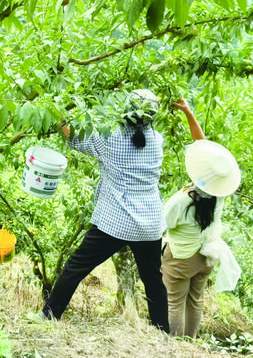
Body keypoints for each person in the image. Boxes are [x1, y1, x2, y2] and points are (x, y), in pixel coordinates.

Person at [41, 89, 169, 332]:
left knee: (77, 266)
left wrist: (57, 109)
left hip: (117, 220)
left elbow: (72, 136)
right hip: (150, 223)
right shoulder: (157, 140)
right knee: (153, 279)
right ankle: (162, 331)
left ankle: (49, 315)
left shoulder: (109, 136)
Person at [162, 99, 240, 337]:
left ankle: (176, 346)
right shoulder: (219, 195)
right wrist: (188, 113)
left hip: (181, 256)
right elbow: (203, 146)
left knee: (175, 302)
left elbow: (164, 223)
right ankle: (191, 344)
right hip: (206, 256)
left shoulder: (183, 201)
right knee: (195, 301)